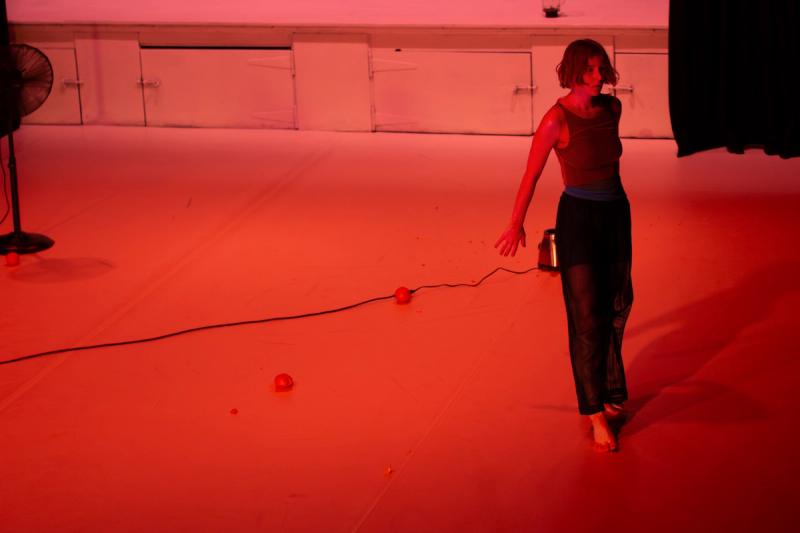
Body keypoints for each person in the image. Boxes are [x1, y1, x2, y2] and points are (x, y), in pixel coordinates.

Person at [494, 39, 633, 452]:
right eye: (588, 71)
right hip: (579, 220)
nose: (597, 78)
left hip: (616, 214)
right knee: (586, 315)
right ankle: (593, 412)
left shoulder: (612, 110)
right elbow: (531, 174)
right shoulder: (556, 119)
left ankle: (608, 390)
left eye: (600, 69)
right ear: (572, 72)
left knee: (619, 303)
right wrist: (516, 223)